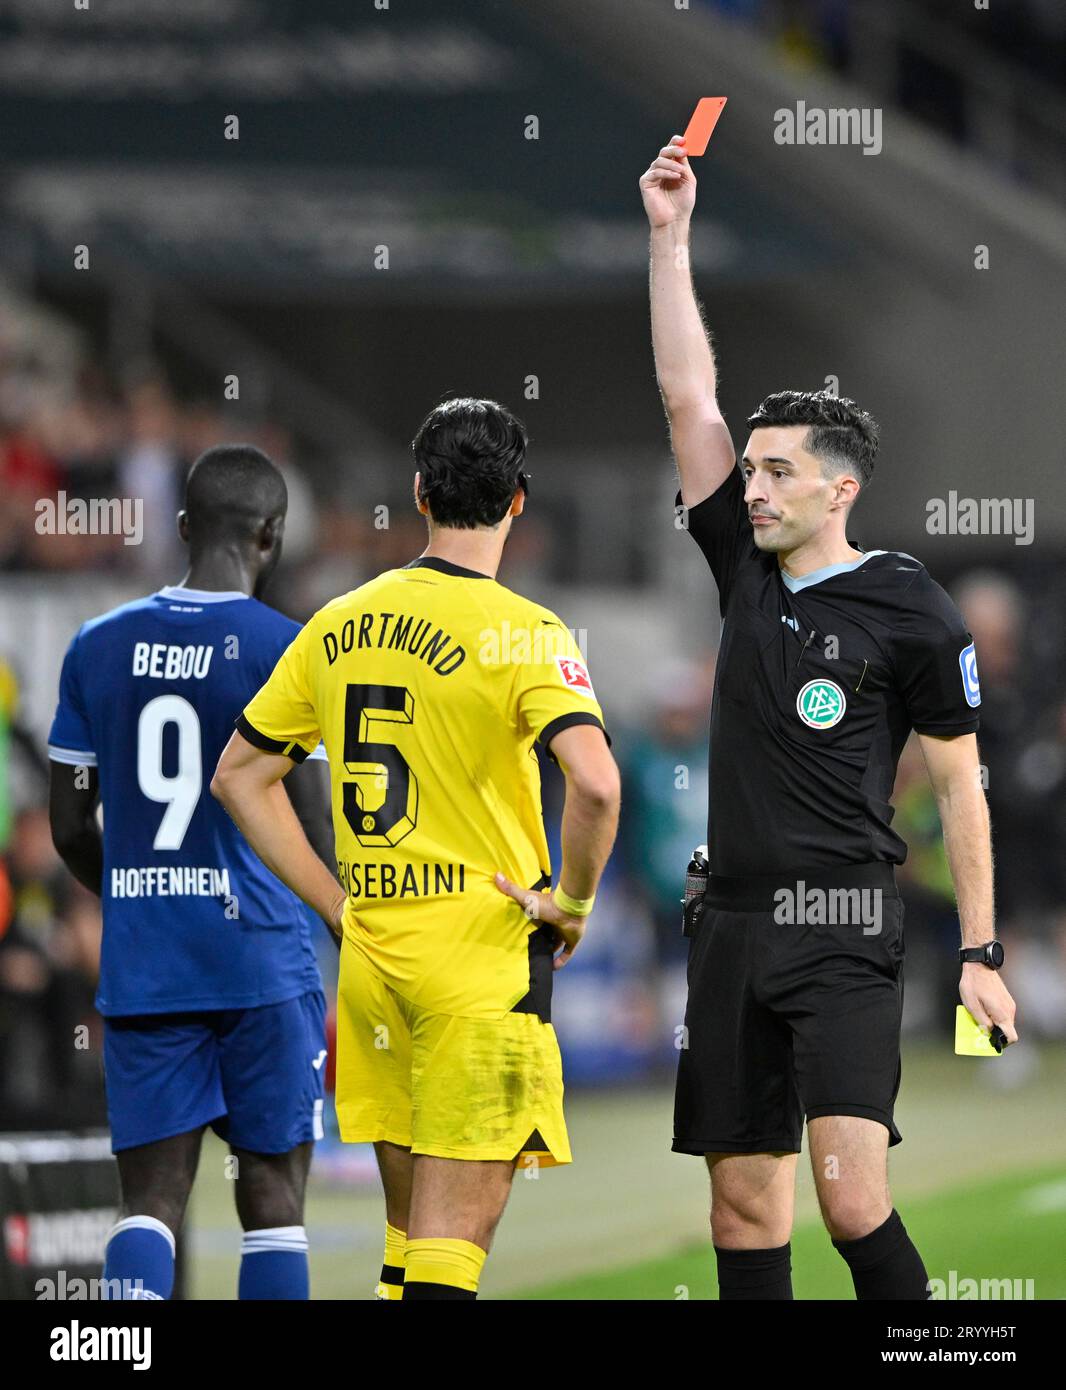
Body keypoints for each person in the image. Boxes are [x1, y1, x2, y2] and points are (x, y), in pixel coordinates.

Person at [640, 135, 1018, 1300]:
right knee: (744, 1207)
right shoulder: (740, 570)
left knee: (850, 1197)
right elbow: (684, 390)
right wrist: (667, 238)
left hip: (846, 924)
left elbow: (958, 783)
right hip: (731, 927)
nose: (748, 486)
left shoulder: (909, 606)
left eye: (775, 472)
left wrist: (979, 952)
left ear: (838, 488)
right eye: (745, 469)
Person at [212, 397, 620, 1300]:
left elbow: (240, 776)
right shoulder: (526, 632)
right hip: (480, 955)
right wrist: (574, 903)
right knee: (447, 1261)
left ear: (417, 495)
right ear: (519, 500)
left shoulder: (335, 623)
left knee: (405, 1254)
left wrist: (331, 902)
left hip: (374, 961)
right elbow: (595, 784)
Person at [48, 444, 334, 1300]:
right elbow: (315, 828)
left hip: (148, 966)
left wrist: (139, 891)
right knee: (275, 1201)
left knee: (148, 1206)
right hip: (262, 964)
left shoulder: (96, 645)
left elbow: (69, 826)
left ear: (181, 528)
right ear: (272, 537)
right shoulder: (289, 648)